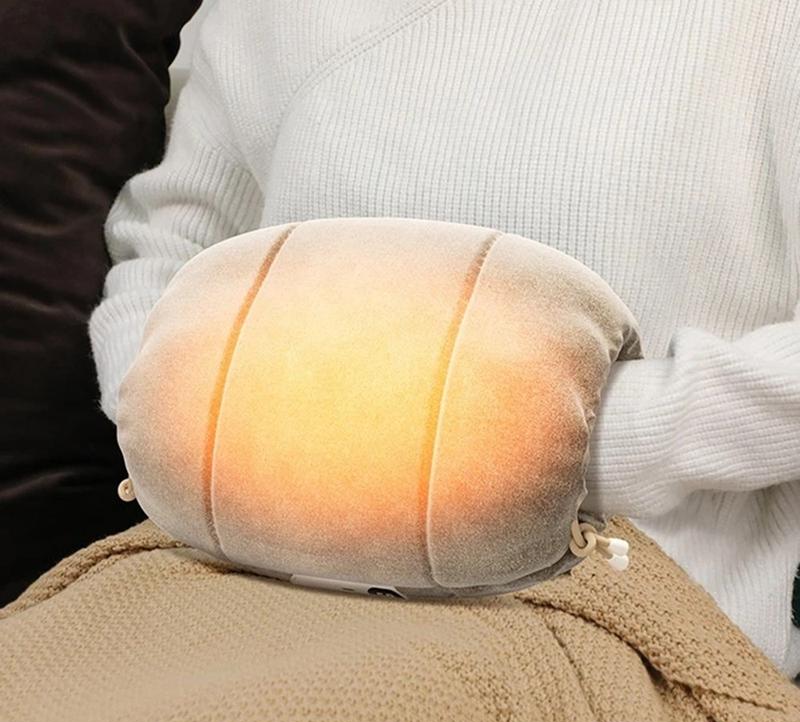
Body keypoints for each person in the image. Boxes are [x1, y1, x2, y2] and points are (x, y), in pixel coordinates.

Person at [88, 0, 800, 680]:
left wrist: (575, 442)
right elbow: (169, 243)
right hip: (227, 562)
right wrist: (178, 429)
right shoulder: (266, 14)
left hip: (618, 604)